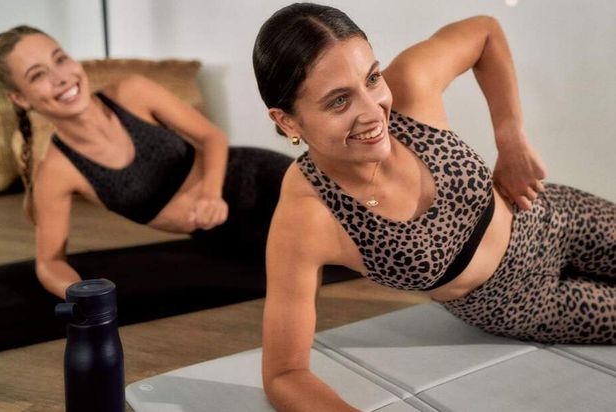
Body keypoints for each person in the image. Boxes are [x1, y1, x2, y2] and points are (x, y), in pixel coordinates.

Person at [252, 3, 616, 410]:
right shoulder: (307, 215)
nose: (373, 112)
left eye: (371, 78)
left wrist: (510, 139)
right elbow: (285, 373)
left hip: (557, 217)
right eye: (339, 101)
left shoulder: (408, 87)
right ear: (287, 122)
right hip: (523, 302)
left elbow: (485, 31)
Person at [0, 26, 292, 299]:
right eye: (38, 75)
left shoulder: (131, 92)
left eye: (60, 59)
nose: (61, 77)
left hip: (265, 181)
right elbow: (49, 262)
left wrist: (211, 195)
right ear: (20, 98)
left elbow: (212, 136)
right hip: (227, 239)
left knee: (319, 249)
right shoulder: (56, 171)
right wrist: (80, 294)